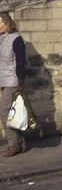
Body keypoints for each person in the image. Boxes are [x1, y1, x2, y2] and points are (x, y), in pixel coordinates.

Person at [0, 12, 27, 157]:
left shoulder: (16, 39)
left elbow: (21, 61)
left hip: (13, 80)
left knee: (3, 110)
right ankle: (19, 141)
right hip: (3, 79)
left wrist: (21, 81)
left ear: (6, 23)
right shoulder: (1, 38)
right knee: (11, 112)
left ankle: (14, 143)